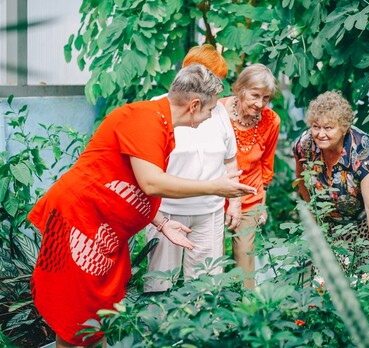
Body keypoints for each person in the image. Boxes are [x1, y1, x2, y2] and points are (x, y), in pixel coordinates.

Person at [28, 64, 256, 348]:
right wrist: (216, 187)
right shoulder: (145, 119)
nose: (211, 116)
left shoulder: (160, 123)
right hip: (80, 220)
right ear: (195, 105)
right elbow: (151, 183)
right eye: (210, 110)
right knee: (76, 319)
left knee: (98, 318)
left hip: (105, 229)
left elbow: (133, 185)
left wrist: (161, 222)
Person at [145, 45, 242, 291]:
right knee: (160, 281)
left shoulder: (218, 111)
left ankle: (205, 328)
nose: (216, 88)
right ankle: (158, 326)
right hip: (167, 211)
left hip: (209, 210)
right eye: (211, 79)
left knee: (206, 284)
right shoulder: (159, 108)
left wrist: (236, 202)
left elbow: (230, 158)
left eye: (218, 81)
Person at [293, 90, 369, 274]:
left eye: (328, 128)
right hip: (328, 216)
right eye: (315, 126)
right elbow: (301, 182)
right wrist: (315, 217)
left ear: (343, 128)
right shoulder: (304, 145)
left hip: (362, 217)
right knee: (326, 276)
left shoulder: (362, 150)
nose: (320, 134)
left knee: (366, 274)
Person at [219, 63, 281, 289]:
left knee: (245, 266)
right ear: (240, 89)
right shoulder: (217, 112)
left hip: (249, 198)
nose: (260, 104)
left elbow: (266, 165)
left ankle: (245, 315)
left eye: (265, 98)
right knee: (212, 263)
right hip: (215, 194)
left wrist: (262, 205)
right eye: (255, 95)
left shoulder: (271, 120)